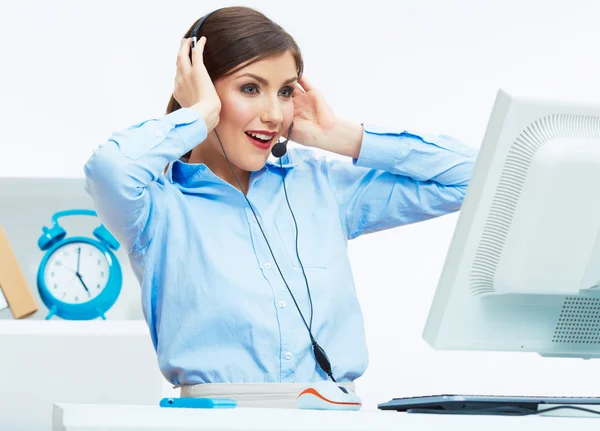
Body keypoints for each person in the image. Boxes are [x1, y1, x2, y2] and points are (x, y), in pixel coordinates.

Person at [84, 6, 477, 407]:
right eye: (250, 88)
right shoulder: (158, 205)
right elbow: (110, 170)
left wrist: (343, 136)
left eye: (285, 91)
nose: (274, 114)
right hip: (211, 420)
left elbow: (476, 177)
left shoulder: (322, 186)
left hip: (333, 415)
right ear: (200, 84)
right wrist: (197, 114)